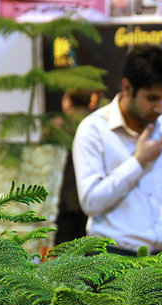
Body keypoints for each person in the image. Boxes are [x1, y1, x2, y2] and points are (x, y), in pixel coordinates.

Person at [72, 45, 162, 256]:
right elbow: (90, 202)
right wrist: (138, 162)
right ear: (127, 88)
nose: (160, 107)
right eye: (152, 98)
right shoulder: (94, 130)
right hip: (111, 258)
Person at [54, 89, 95, 245]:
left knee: (64, 256)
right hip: (91, 201)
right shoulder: (97, 125)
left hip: (64, 200)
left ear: (68, 101)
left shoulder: (57, 126)